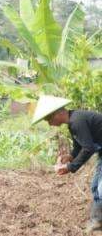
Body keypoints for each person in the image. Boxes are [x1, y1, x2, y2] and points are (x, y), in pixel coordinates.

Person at [32, 95, 102, 232]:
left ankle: (97, 221)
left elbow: (88, 148)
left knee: (101, 188)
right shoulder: (73, 122)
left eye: (48, 119)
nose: (49, 123)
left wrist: (70, 167)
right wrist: (69, 157)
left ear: (58, 113)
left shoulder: (77, 121)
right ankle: (97, 221)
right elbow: (80, 146)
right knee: (95, 186)